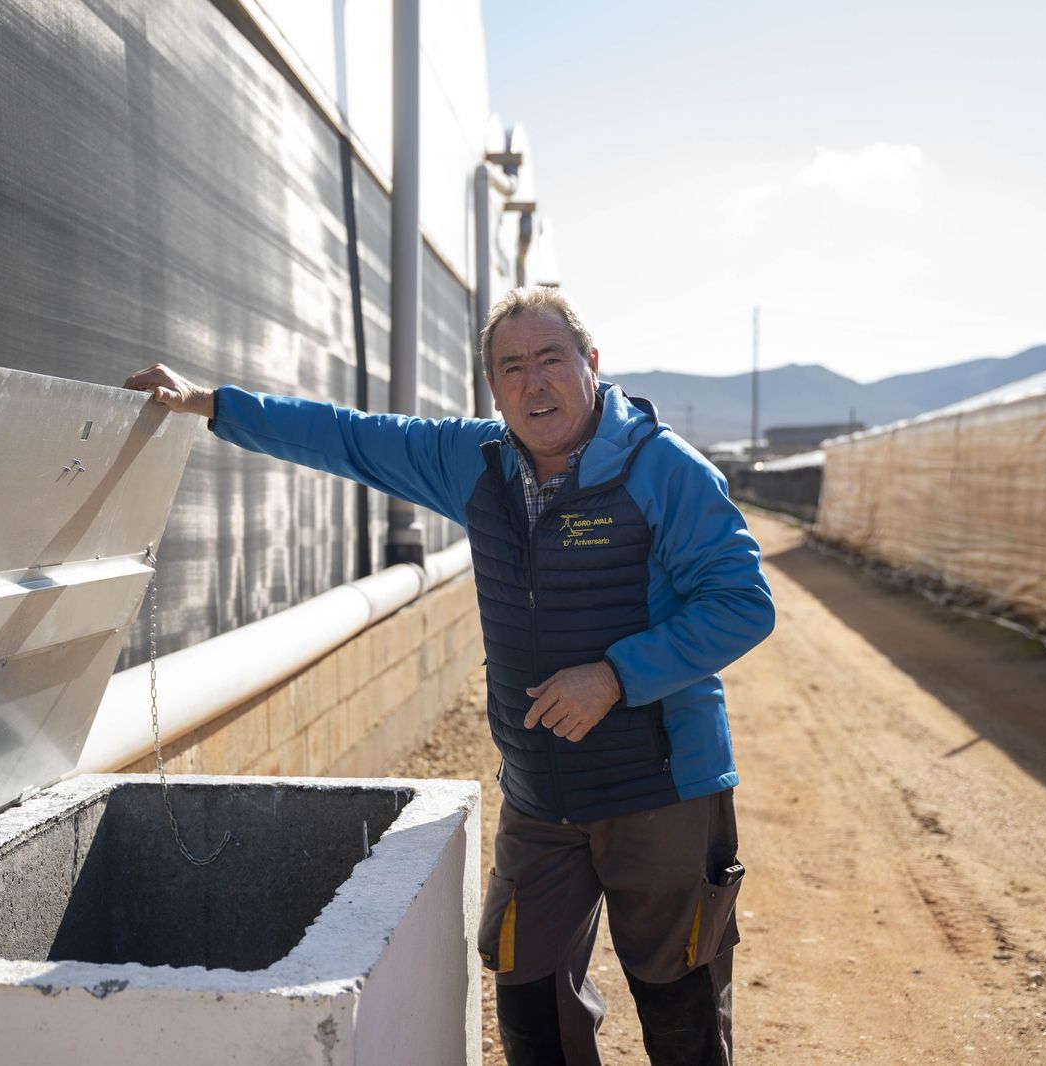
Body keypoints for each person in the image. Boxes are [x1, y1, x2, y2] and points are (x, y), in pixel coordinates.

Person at [125, 286, 774, 1065]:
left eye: (551, 360)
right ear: (492, 388)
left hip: (662, 791)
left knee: (681, 1012)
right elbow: (350, 438)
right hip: (540, 797)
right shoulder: (476, 464)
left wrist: (613, 675)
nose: (534, 383)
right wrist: (211, 404)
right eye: (511, 368)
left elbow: (743, 603)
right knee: (531, 1005)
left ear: (592, 365)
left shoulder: (664, 470)